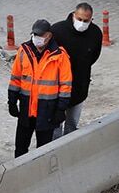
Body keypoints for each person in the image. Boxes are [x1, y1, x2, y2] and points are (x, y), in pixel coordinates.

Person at [8, 19, 72, 157]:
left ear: (49, 36)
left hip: (47, 111)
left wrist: (61, 109)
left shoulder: (60, 56)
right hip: (26, 109)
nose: (37, 38)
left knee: (43, 151)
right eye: (35, 35)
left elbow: (66, 85)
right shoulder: (24, 51)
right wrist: (12, 101)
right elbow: (15, 78)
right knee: (20, 148)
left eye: (40, 35)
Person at [50, 2, 102, 139]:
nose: (82, 23)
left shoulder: (95, 33)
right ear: (74, 15)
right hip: (57, 87)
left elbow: (94, 55)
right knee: (55, 124)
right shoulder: (57, 31)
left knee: (72, 123)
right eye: (79, 19)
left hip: (80, 85)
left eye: (86, 20)